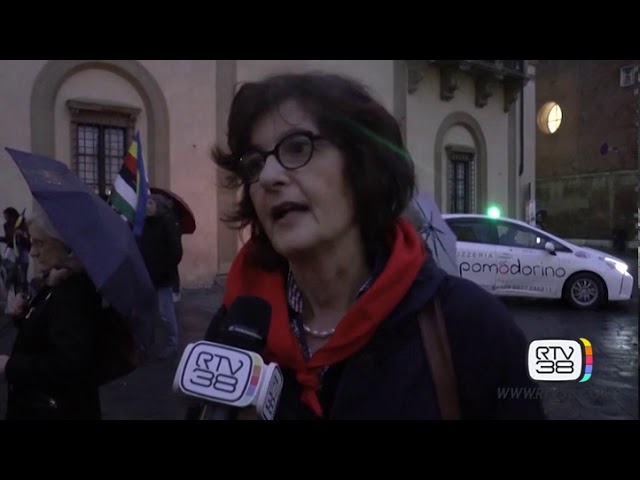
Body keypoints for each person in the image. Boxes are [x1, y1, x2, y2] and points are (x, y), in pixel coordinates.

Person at [199, 72, 546, 420]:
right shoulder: (237, 325)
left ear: (361, 165)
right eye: (255, 164)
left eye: (298, 147)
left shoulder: (471, 326)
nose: (269, 177)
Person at [0, 204, 103, 420]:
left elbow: (67, 366)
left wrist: (11, 366)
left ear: (67, 246)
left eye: (40, 244)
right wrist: (25, 315)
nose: (34, 252)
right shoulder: (59, 280)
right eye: (31, 242)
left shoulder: (74, 292)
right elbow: (47, 330)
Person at [138, 194, 183, 359]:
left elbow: (176, 253)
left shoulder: (168, 224)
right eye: (146, 202)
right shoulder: (145, 224)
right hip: (148, 276)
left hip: (163, 277)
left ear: (159, 206)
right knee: (147, 312)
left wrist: (164, 269)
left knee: (166, 313)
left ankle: (172, 344)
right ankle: (146, 344)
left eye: (150, 203)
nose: (147, 205)